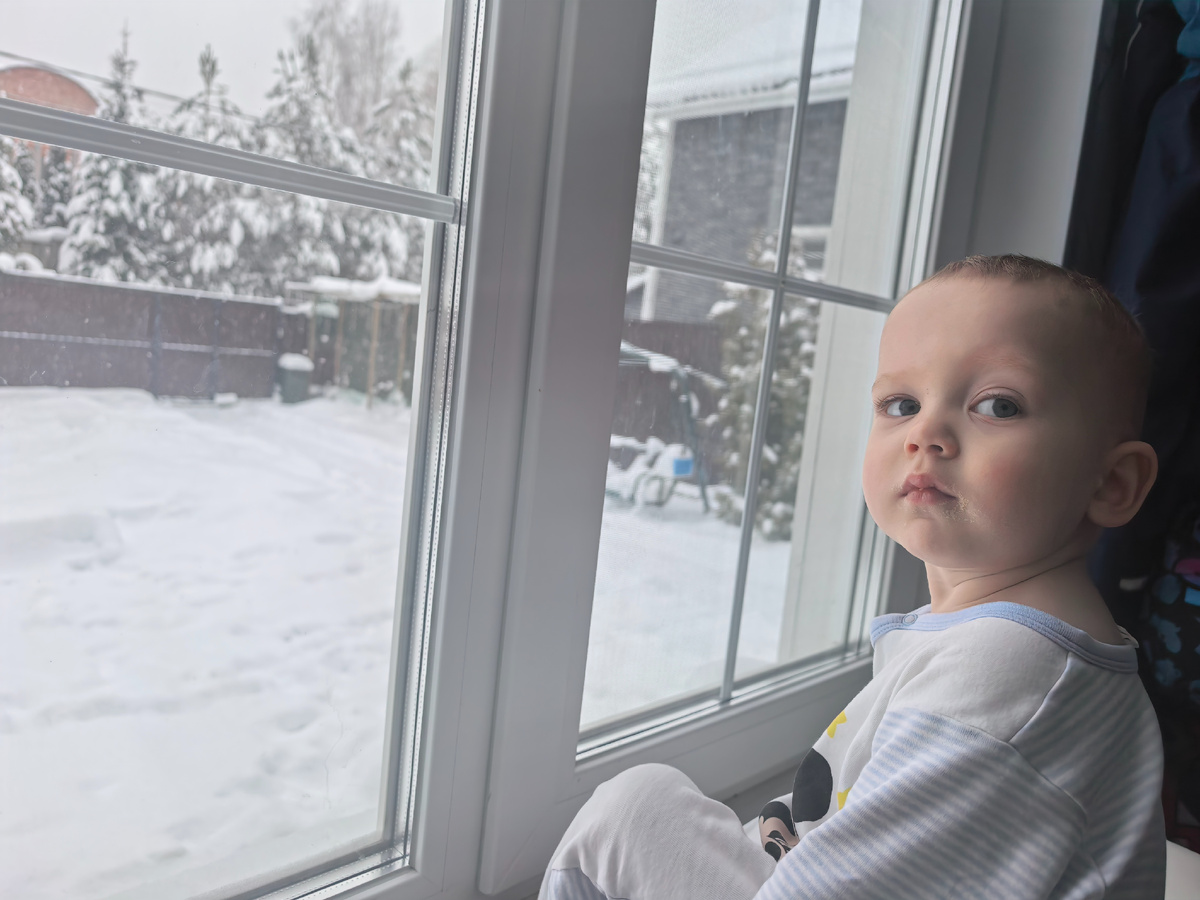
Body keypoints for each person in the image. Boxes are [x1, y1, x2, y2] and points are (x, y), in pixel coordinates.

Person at [540, 255, 1166, 900]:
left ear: (1112, 484)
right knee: (640, 807)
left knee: (630, 815)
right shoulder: (1012, 645)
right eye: (901, 403)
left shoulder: (1008, 673)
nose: (925, 433)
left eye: (998, 405)